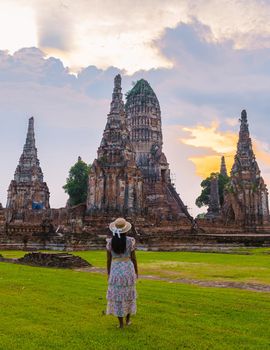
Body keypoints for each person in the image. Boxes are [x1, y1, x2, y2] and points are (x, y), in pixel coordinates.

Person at [106, 217, 138, 328]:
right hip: (128, 269)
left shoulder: (110, 242)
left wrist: (109, 273)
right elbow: (133, 258)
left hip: (115, 269)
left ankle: (120, 324)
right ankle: (128, 321)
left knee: (117, 296)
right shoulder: (130, 241)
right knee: (129, 294)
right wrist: (136, 272)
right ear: (126, 229)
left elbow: (108, 259)